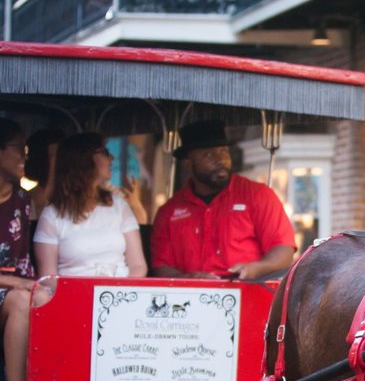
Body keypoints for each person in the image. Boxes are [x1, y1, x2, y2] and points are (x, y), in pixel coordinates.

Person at [150, 119, 295, 279]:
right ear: (187, 164)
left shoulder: (258, 195)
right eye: (209, 155)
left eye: (224, 152)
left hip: (247, 289)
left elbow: (284, 252)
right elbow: (161, 267)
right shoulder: (169, 211)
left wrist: (255, 269)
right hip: (189, 297)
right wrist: (190, 279)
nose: (220, 160)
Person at [33, 132, 148, 278]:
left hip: (120, 293)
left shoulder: (118, 205)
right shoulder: (52, 215)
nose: (112, 159)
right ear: (84, 159)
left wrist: (122, 294)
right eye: (105, 153)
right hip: (74, 296)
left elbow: (138, 266)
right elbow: (47, 278)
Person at [0, 119, 45, 381]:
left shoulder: (21, 200)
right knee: (19, 300)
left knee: (46, 299)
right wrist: (20, 284)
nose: (24, 157)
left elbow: (25, 264)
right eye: (18, 148)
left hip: (15, 291)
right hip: (9, 293)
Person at [26, 128, 148, 224]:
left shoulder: (108, 194)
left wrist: (134, 203)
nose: (111, 158)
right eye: (105, 153)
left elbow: (140, 221)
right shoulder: (33, 199)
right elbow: (43, 214)